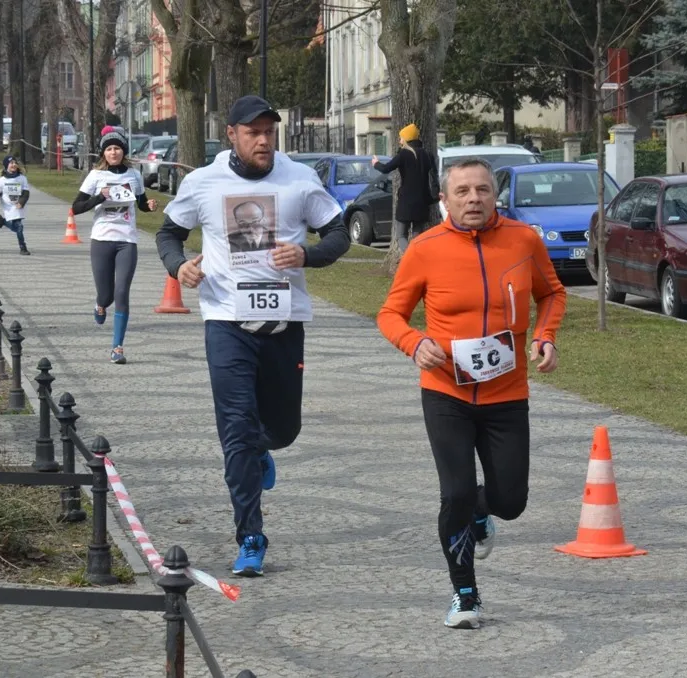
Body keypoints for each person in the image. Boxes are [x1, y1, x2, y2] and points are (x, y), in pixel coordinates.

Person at [156, 95, 350, 577]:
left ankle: (264, 448)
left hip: (284, 324)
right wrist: (179, 267)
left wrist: (306, 256)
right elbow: (167, 234)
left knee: (282, 430)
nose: (263, 140)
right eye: (253, 132)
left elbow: (339, 233)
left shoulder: (299, 179)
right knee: (236, 431)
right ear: (232, 135)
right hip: (226, 322)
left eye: (269, 131)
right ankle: (250, 536)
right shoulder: (202, 182)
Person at [376, 157, 566, 629]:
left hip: (507, 393)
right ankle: (465, 594)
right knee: (455, 493)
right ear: (444, 200)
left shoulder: (523, 240)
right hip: (446, 392)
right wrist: (413, 342)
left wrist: (545, 336)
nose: (473, 199)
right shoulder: (425, 249)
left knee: (511, 501)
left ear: (495, 195)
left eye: (482, 190)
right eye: (462, 191)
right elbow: (390, 314)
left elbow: (552, 293)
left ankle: (483, 512)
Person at [71, 128, 157, 365]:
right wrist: (100, 196)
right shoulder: (96, 176)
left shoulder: (134, 175)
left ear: (123, 151)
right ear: (103, 153)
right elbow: (76, 208)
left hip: (127, 241)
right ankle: (100, 304)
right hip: (101, 240)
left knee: (121, 293)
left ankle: (117, 347)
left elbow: (141, 203)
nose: (113, 152)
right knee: (107, 295)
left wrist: (149, 206)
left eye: (117, 148)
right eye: (108, 149)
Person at [371, 122, 439, 252]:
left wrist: (376, 163)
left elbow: (386, 169)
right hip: (423, 202)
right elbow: (434, 175)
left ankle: (410, 258)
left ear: (407, 139)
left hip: (406, 202)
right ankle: (417, 256)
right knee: (417, 235)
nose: (399, 140)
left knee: (401, 235)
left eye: (401, 137)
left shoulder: (404, 154)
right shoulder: (427, 154)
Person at [0, 155, 31, 256]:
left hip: (18, 206)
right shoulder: (1, 180)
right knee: (17, 227)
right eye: (11, 163)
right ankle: (3, 221)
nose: (14, 165)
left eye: (15, 163)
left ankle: (23, 248)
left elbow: (26, 193)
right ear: (6, 165)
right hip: (8, 207)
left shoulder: (22, 178)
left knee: (19, 227)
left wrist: (21, 202)